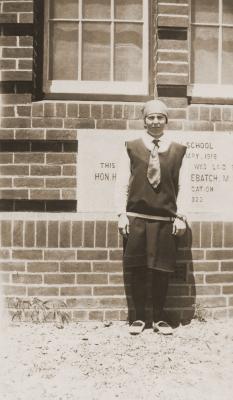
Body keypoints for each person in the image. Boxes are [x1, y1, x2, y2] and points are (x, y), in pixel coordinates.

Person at [116, 99, 187, 335]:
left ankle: (158, 318)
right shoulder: (131, 146)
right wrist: (121, 214)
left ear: (166, 120)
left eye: (160, 117)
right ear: (144, 120)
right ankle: (138, 318)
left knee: (161, 269)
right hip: (136, 216)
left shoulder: (178, 149)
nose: (155, 121)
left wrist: (181, 217)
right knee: (137, 268)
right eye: (150, 117)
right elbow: (121, 184)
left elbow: (181, 186)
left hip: (165, 219)